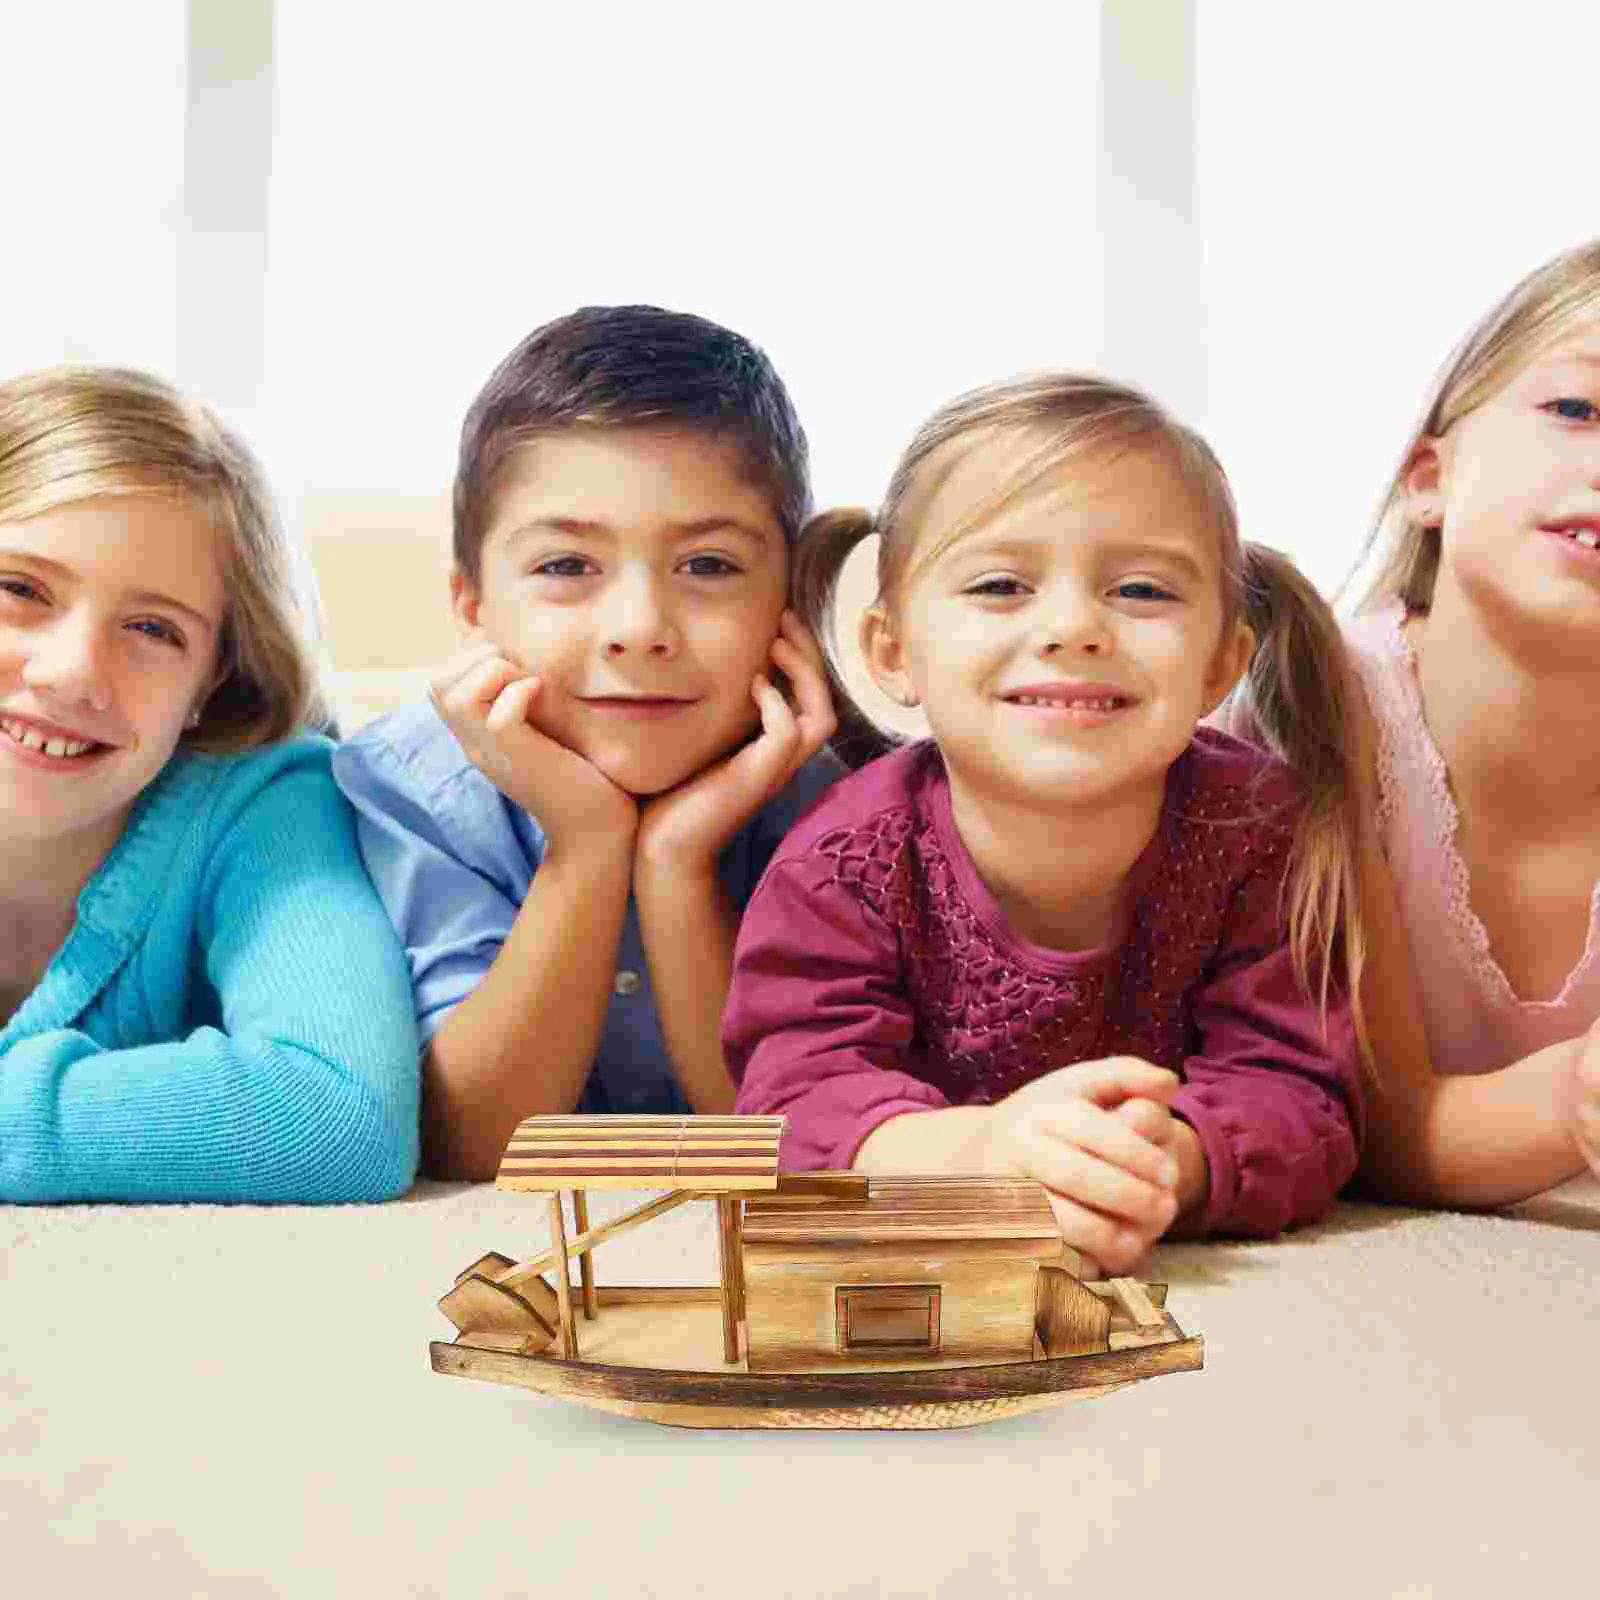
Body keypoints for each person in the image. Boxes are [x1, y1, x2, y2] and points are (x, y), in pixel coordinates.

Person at [723, 373, 1370, 1275]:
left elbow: (1303, 1091)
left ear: (1221, 665)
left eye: (1141, 590)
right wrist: (980, 1157)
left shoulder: (1261, 833)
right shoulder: (841, 864)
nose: (1072, 627)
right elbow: (795, 1101)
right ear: (893, 652)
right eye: (1000, 585)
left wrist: (1160, 1162)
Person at [334, 306, 838, 1179]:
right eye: (566, 566)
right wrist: (587, 846)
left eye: (708, 565)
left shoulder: (844, 805)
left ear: (792, 601)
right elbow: (478, 1147)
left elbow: (792, 1147)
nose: (639, 629)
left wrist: (677, 867)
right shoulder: (403, 788)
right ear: (472, 605)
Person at [0, 366, 420, 1203]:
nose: (73, 672)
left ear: (212, 684)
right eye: (19, 589)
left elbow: (340, 1115)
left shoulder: (262, 803)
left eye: (153, 629)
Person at [1341, 239, 1600, 1205]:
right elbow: (1369, 1123)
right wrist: (1576, 1096)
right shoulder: (1324, 713)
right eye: (1576, 409)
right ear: (1429, 478)